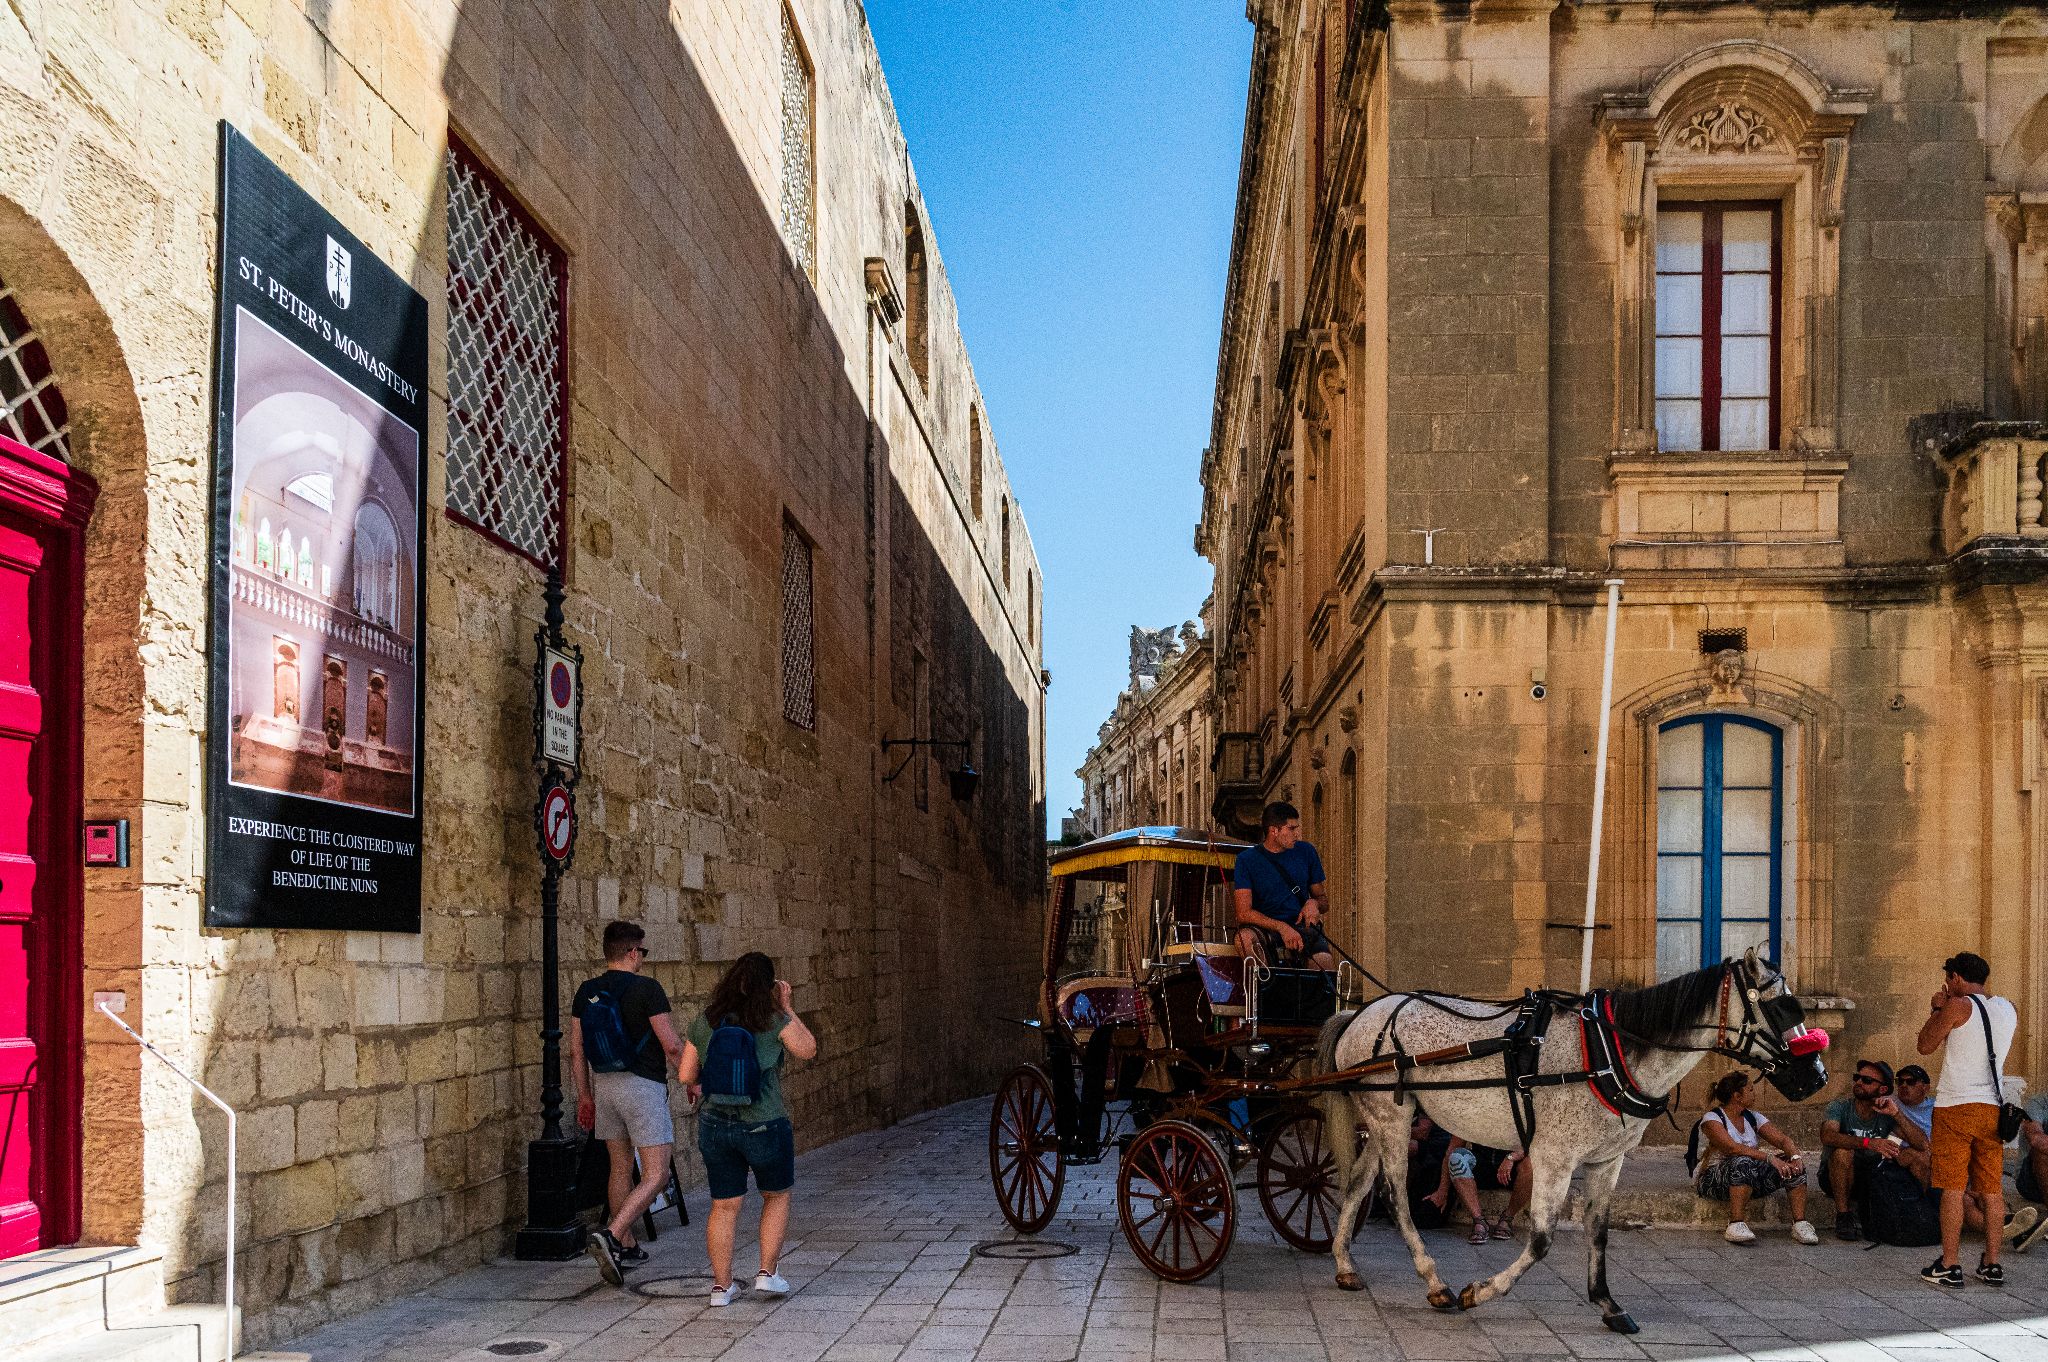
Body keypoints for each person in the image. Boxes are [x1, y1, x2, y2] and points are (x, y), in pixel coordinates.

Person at [677, 952, 818, 1307]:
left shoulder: (706, 1020)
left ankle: (722, 1288)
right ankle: (767, 1275)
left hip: (715, 1124)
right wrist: (786, 1007)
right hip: (764, 1123)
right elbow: (808, 1049)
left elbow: (685, 1075)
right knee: (776, 1195)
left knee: (724, 1206)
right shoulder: (772, 1019)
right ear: (769, 986)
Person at [569, 921, 686, 1285]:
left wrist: (585, 1095)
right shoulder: (647, 989)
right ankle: (613, 1233)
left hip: (604, 1086)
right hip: (642, 1087)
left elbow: (576, 1050)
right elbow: (671, 1045)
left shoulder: (586, 990)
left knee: (619, 1168)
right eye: (642, 952)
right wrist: (691, 1078)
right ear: (633, 952)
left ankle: (627, 1245)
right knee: (656, 1173)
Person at [1916, 950, 2016, 1288]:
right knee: (1991, 1190)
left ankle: (1950, 1263)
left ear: (1957, 978)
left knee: (1953, 1189)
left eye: (1949, 978)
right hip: (1992, 1108)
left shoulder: (1958, 1006)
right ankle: (1992, 1263)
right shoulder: (2007, 1008)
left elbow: (1925, 1045)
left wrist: (1937, 1008)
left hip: (1955, 1107)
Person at [1693, 1072, 1819, 1246]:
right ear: (1737, 1096)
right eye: (1750, 1090)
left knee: (1791, 1163)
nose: (1755, 1094)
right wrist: (1770, 1158)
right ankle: (1735, 1223)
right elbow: (1732, 1148)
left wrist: (1795, 1156)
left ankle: (1800, 1223)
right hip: (1713, 1180)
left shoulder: (1752, 1117)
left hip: (1748, 1177)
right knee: (1741, 1161)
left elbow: (1782, 1140)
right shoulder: (1712, 1119)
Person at [1820, 1060, 1924, 1241]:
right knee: (1842, 1152)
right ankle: (1844, 1217)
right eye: (1857, 1077)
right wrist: (1870, 1143)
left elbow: (1922, 1144)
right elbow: (1828, 1136)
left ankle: (1924, 1210)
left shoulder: (1884, 1113)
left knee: (1917, 1156)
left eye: (1867, 1080)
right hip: (1836, 1177)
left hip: (1872, 1180)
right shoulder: (1840, 1107)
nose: (1859, 1082)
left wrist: (1896, 1114)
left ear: (1883, 1089)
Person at [1232, 801, 1336, 971]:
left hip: (1303, 928)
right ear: (1274, 831)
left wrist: (1313, 904)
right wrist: (1282, 927)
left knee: (1325, 965)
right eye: (1292, 828)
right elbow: (1243, 913)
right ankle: (1266, 990)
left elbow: (1323, 901)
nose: (1297, 834)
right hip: (1265, 929)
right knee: (1243, 939)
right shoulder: (1246, 860)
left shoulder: (1306, 851)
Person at [1427, 1137, 1533, 1244]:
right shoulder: (1471, 1119)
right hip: (1482, 1167)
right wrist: (1442, 1190)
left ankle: (1507, 1219)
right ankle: (1479, 1221)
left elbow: (1538, 1142)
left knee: (1531, 1163)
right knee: (1456, 1157)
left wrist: (1511, 1157)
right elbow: (1452, 1149)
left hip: (1511, 1171)